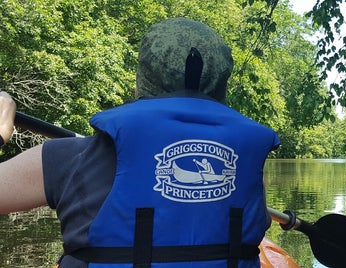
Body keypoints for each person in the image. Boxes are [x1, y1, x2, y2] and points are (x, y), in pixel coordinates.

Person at [0, 18, 280, 268]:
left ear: (140, 85)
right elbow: (260, 224)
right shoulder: (246, 167)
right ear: (221, 89)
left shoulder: (69, 158)